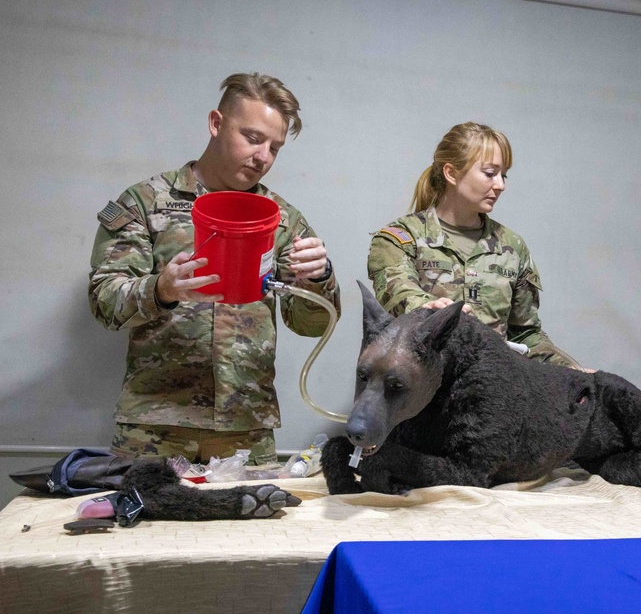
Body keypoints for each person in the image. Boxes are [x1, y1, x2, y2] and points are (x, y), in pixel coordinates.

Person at [89, 72, 340, 465]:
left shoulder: (282, 220)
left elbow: (311, 324)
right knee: (148, 527)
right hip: (156, 428)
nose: (263, 157)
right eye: (253, 138)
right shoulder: (147, 202)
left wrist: (321, 280)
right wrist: (161, 290)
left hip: (246, 430)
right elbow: (104, 302)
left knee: (250, 528)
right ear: (216, 123)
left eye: (274, 148)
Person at [367, 121, 583, 369]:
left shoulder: (511, 247)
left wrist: (571, 375)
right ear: (451, 173)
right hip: (420, 393)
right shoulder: (400, 238)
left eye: (503, 175)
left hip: (490, 393)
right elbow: (399, 295)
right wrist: (431, 310)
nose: (500, 185)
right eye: (490, 174)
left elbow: (525, 335)